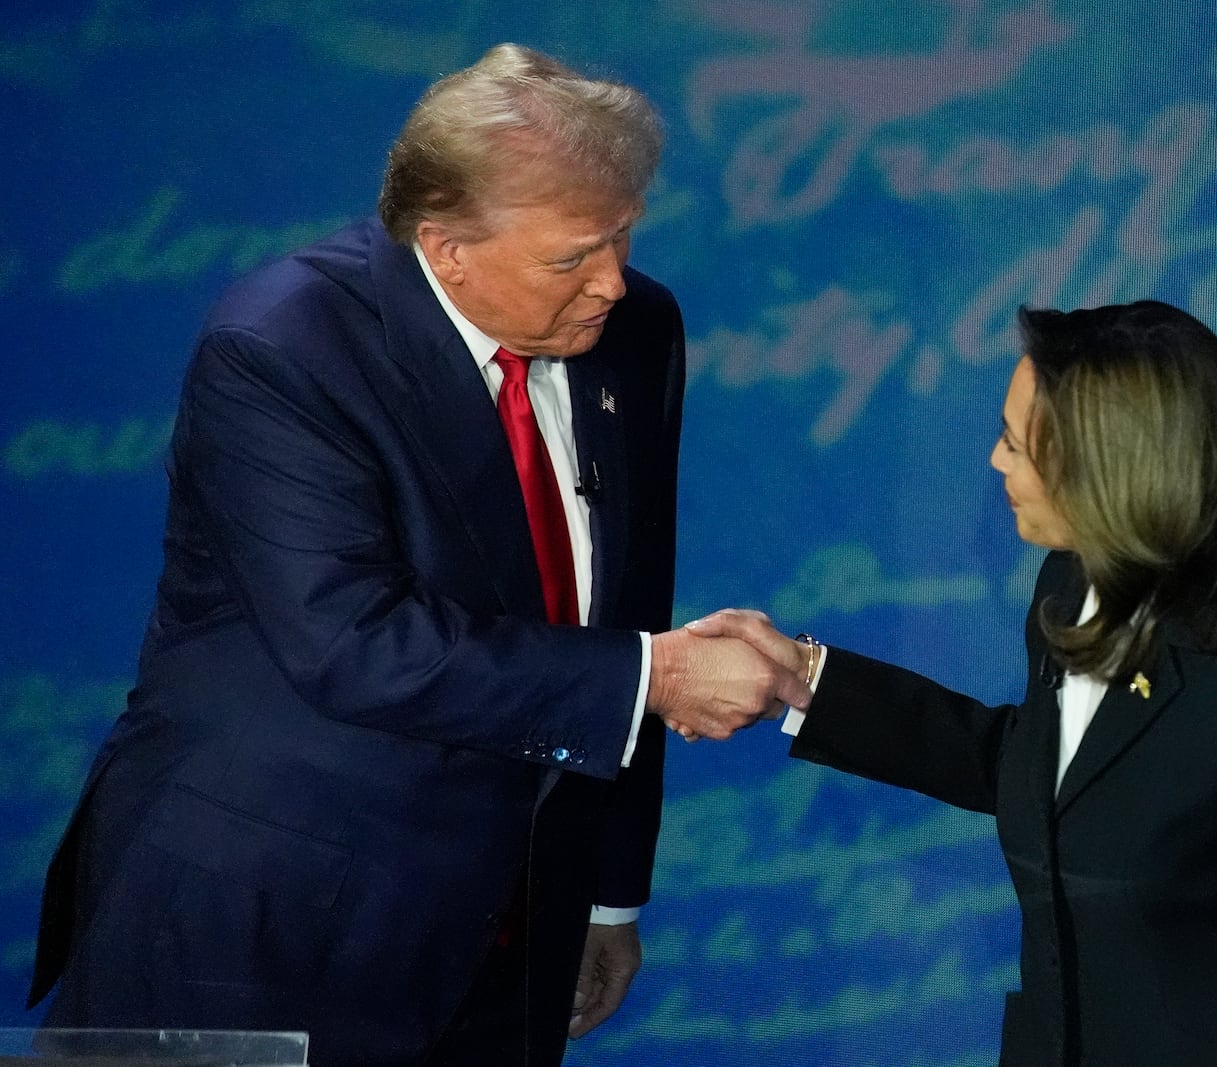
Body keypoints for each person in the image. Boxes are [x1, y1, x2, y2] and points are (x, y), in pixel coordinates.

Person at [28, 44, 808, 1067]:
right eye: (572, 257)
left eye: (621, 235)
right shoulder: (284, 346)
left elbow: (627, 597)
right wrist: (660, 676)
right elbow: (351, 640)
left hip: (517, 917)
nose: (613, 281)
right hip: (273, 914)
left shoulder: (636, 328)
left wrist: (608, 888)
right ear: (444, 248)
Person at [691, 301, 1217, 1066]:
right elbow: (1044, 775)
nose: (997, 462)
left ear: (1110, 471)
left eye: (1014, 443)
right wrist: (807, 680)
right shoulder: (1068, 586)